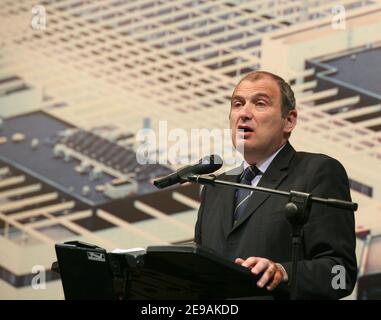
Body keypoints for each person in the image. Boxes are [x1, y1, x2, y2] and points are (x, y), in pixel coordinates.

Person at [194, 71, 357, 299]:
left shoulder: (318, 172)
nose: (244, 113)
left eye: (259, 104)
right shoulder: (216, 188)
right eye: (237, 104)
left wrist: (284, 272)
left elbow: (341, 274)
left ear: (289, 121)